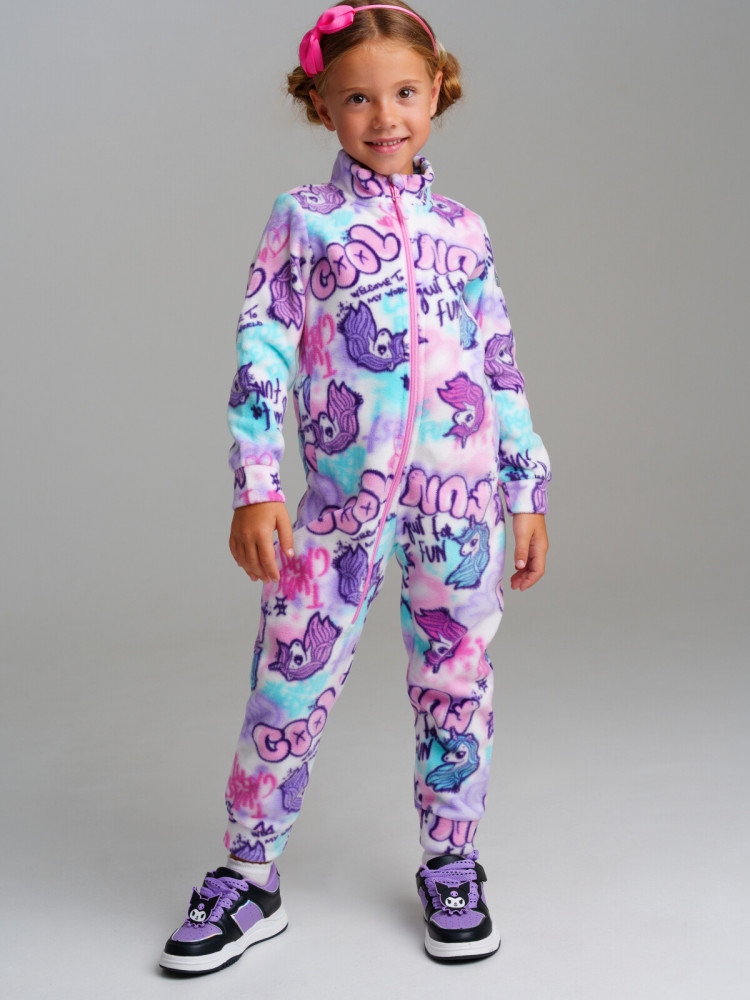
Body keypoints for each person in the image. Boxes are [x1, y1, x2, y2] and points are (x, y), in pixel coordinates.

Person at [159, 0, 550, 974]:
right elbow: (263, 345)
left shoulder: (465, 231)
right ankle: (249, 874)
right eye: (359, 98)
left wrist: (525, 486)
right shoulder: (306, 219)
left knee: (458, 683)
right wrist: (256, 482)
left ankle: (452, 862)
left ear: (438, 93)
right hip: (337, 510)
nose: (385, 116)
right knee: (288, 681)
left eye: (405, 93)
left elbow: (500, 365)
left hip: (461, 509)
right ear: (322, 105)